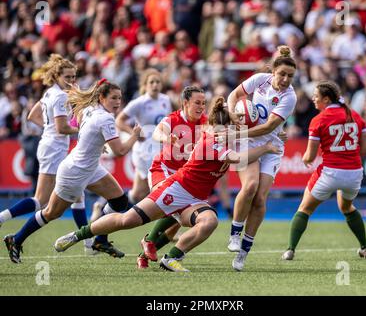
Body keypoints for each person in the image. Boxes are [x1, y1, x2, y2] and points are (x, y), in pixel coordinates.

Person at [53, 97, 281, 272]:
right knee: (127, 220)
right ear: (223, 127)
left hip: (195, 199)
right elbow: (238, 159)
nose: (238, 130)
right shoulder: (212, 141)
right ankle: (78, 235)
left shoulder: (227, 138)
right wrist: (267, 148)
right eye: (234, 126)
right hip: (176, 189)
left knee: (209, 221)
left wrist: (266, 134)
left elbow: (244, 148)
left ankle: (171, 258)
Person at [3, 79, 141, 264]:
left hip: (89, 167)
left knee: (119, 200)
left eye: (120, 98)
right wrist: (134, 136)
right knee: (50, 212)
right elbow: (120, 151)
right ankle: (16, 239)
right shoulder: (105, 118)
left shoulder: (89, 109)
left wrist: (96, 145)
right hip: (75, 172)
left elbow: (83, 129)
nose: (118, 102)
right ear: (101, 97)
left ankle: (100, 240)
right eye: (113, 98)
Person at [0, 54, 93, 254]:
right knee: (40, 200)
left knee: (78, 194)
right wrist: (84, 129)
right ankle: (3, 219)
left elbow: (32, 115)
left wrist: (48, 128)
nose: (71, 81)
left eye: (73, 76)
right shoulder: (59, 96)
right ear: (57, 76)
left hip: (51, 145)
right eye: (67, 77)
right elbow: (61, 128)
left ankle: (88, 244)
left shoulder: (50, 93)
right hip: (54, 149)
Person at [281, 81, 366, 260]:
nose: (313, 99)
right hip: (354, 173)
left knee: (304, 209)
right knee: (346, 207)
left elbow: (309, 155)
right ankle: (365, 247)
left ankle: (290, 250)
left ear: (326, 99)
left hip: (330, 173)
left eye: (316, 96)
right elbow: (365, 149)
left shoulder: (319, 120)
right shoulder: (355, 115)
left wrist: (305, 159)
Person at [226, 45, 297, 271]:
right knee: (250, 186)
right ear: (273, 71)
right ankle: (235, 234)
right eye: (282, 74)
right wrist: (232, 114)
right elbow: (235, 95)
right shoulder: (260, 79)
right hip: (250, 141)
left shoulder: (290, 96)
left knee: (260, 199)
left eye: (290, 76)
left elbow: (268, 127)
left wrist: (237, 132)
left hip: (272, 146)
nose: (286, 79)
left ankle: (243, 253)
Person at [137, 85, 207, 269]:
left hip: (185, 175)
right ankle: (149, 240)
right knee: (173, 207)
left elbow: (219, 134)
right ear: (185, 103)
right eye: (197, 103)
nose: (201, 107)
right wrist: (166, 138)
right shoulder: (174, 119)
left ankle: (144, 254)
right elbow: (157, 132)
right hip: (164, 169)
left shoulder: (205, 122)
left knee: (175, 224)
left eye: (204, 103)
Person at [116, 68, 173, 204]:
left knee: (140, 193)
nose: (155, 85)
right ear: (145, 85)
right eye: (151, 82)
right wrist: (134, 134)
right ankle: (110, 208)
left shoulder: (166, 100)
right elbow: (119, 120)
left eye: (158, 82)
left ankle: (110, 207)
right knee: (150, 189)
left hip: (160, 149)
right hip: (144, 150)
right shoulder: (139, 102)